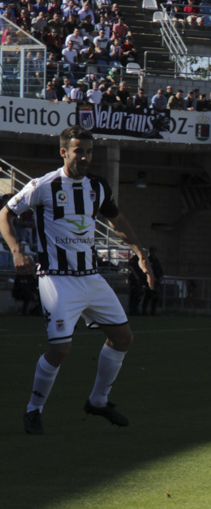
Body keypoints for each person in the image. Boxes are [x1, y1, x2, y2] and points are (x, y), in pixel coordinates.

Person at [1, 125, 154, 435]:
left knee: (123, 337)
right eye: (78, 151)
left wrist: (140, 253)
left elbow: (117, 220)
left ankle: (98, 401)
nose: (84, 157)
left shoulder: (97, 187)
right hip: (57, 279)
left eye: (89, 151)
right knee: (60, 349)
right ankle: (34, 410)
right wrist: (17, 250)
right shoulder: (42, 186)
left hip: (91, 277)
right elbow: (4, 215)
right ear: (64, 152)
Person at [142, 247, 164, 315]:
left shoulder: (156, 260)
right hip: (149, 281)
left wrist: (160, 277)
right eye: (152, 252)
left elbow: (160, 271)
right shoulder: (148, 260)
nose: (153, 253)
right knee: (147, 297)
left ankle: (153, 312)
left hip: (156, 282)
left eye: (154, 252)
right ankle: (144, 312)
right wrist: (152, 277)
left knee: (155, 297)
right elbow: (146, 270)